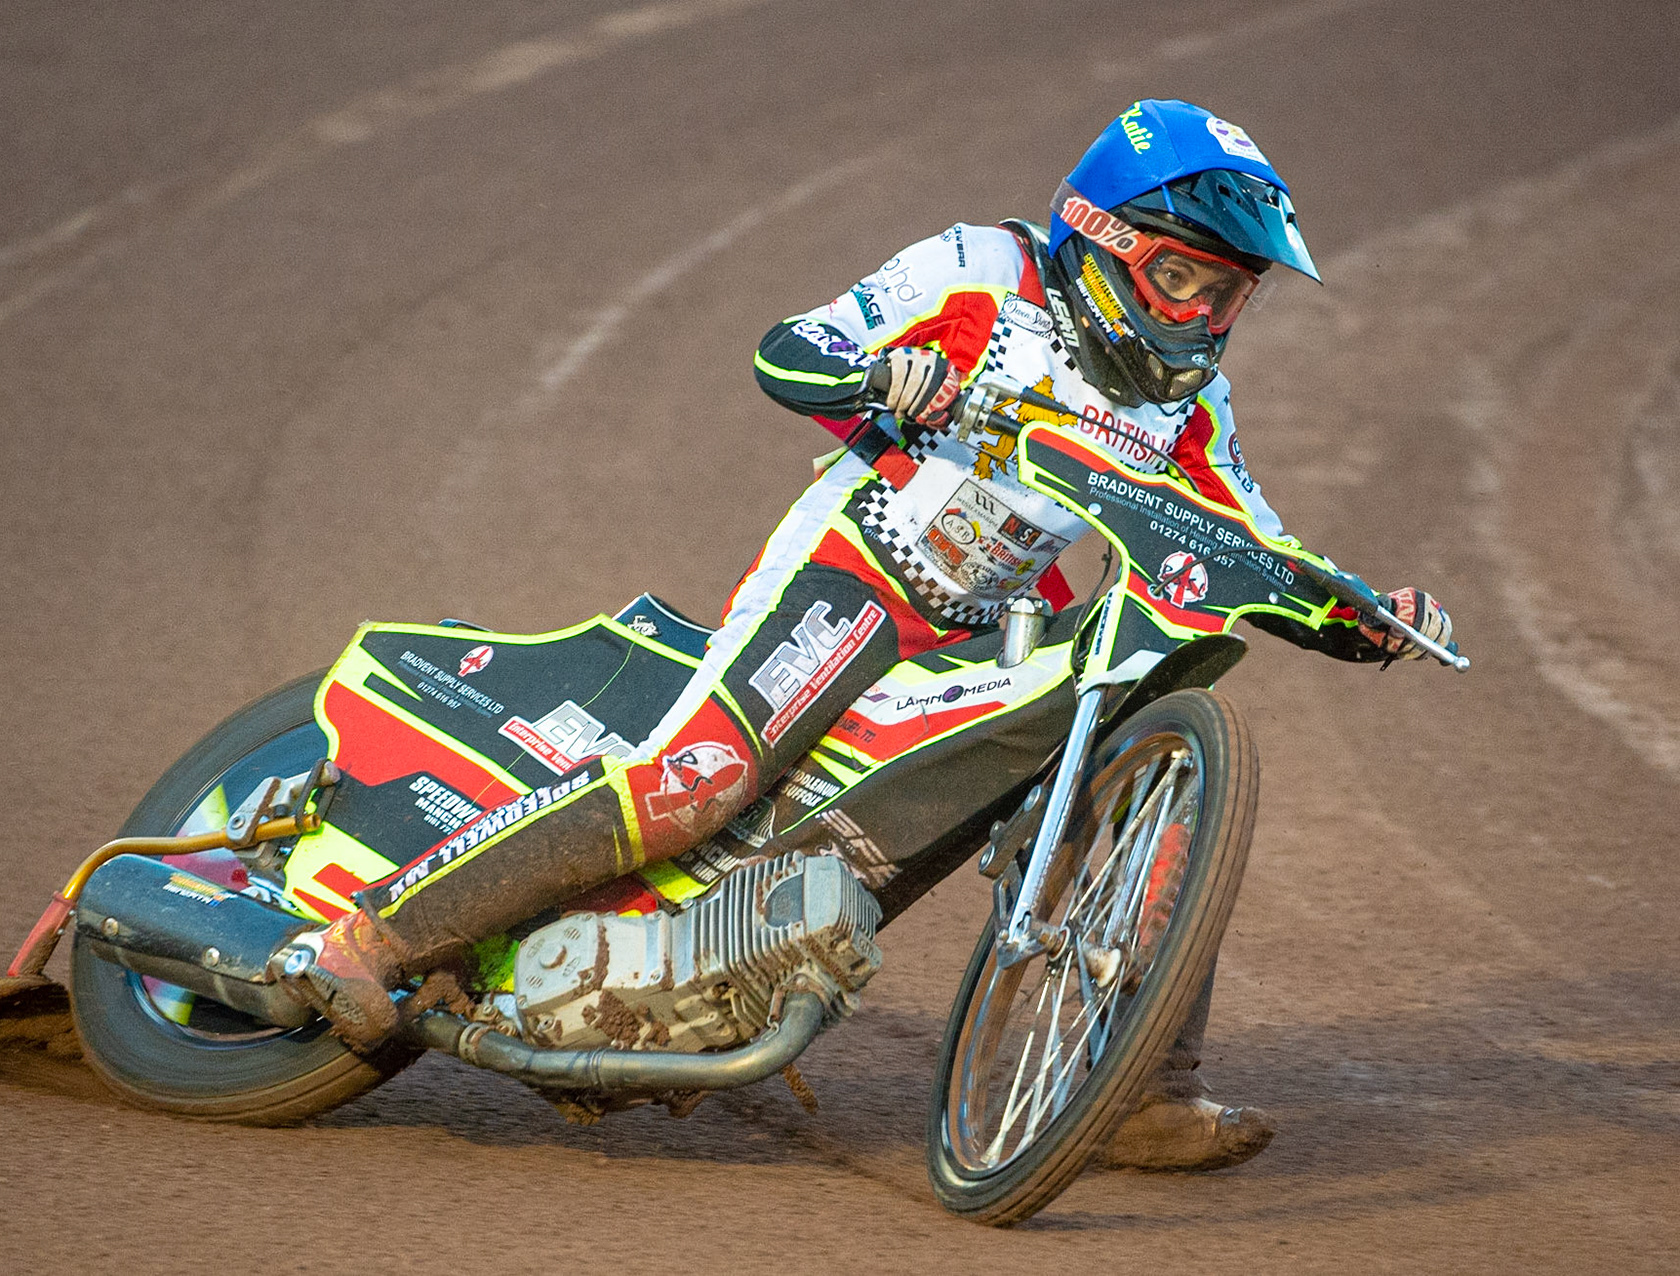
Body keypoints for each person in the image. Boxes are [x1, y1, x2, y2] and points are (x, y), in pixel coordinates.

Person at [284, 99, 1453, 1171]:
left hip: (987, 630)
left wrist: (1370, 615)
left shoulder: (1191, 404)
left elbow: (1257, 544)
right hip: (854, 572)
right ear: (1102, 240)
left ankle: (1141, 1082)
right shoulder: (982, 270)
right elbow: (787, 347)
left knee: (1122, 751)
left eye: (1229, 294)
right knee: (700, 782)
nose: (1204, 318)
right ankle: (380, 936)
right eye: (1182, 279)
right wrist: (884, 376)